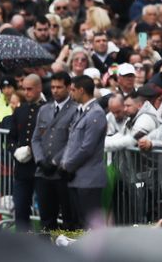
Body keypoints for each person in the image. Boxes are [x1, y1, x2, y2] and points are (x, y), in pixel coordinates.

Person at [32, 72, 78, 231]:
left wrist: (54, 161)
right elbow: (36, 138)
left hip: (62, 171)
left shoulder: (75, 110)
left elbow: (73, 141)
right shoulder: (44, 110)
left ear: (68, 87)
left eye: (59, 87)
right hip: (42, 172)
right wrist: (40, 160)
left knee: (68, 218)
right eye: (52, 87)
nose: (55, 91)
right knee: (46, 218)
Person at [60, 75, 106, 229]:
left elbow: (87, 148)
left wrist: (68, 165)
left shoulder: (95, 114)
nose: (70, 93)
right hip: (78, 178)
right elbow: (73, 142)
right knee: (79, 223)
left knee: (89, 224)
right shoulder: (82, 112)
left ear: (81, 90)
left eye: (73, 90)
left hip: (89, 178)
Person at [7, 74, 44, 230]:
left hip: (41, 168)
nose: (26, 92)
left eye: (30, 89)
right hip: (22, 169)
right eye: (24, 89)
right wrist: (16, 150)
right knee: (21, 210)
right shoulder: (20, 111)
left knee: (46, 211)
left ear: (39, 88)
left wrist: (32, 151)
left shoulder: (46, 110)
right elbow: (10, 138)